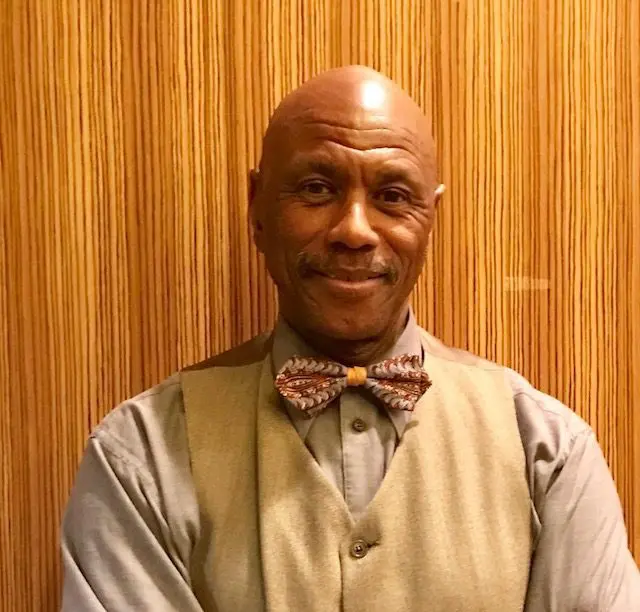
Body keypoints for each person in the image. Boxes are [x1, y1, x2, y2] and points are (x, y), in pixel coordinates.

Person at [61, 65, 640, 611]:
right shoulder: (140, 456)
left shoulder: (547, 451)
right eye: (317, 188)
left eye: (393, 196)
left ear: (431, 218)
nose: (355, 231)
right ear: (257, 208)